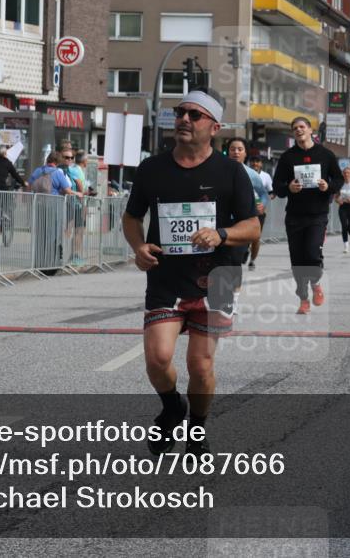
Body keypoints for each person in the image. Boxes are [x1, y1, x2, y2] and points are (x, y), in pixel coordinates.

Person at [122, 88, 258, 456]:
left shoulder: (232, 172)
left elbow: (253, 226)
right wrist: (138, 247)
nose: (183, 119)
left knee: (200, 366)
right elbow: (132, 217)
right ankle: (172, 408)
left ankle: (196, 429)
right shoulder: (152, 168)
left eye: (194, 115)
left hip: (219, 279)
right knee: (158, 359)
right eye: (180, 112)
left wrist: (222, 234)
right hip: (167, 278)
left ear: (214, 127)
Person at [273, 116, 344, 315]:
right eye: (294, 128)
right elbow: (277, 186)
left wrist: (328, 186)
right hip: (294, 216)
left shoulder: (326, 155)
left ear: (310, 130)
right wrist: (289, 188)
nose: (298, 130)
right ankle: (303, 298)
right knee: (297, 260)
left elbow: (338, 179)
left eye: (302, 127)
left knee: (312, 254)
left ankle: (316, 283)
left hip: (317, 215)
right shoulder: (287, 157)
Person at [226, 138, 268, 275]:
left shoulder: (252, 175)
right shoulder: (220, 172)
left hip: (244, 221)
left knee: (235, 260)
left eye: (240, 149)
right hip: (223, 221)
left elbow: (263, 194)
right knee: (225, 260)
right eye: (232, 149)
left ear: (245, 154)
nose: (236, 152)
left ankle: (234, 295)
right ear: (227, 152)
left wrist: (262, 204)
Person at [247, 155, 272, 269]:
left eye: (257, 161)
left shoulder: (266, 176)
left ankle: (252, 260)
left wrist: (264, 202)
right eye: (252, 161)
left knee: (256, 238)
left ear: (261, 164)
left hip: (259, 212)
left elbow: (272, 193)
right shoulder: (244, 172)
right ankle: (244, 251)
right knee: (244, 235)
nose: (255, 164)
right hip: (245, 209)